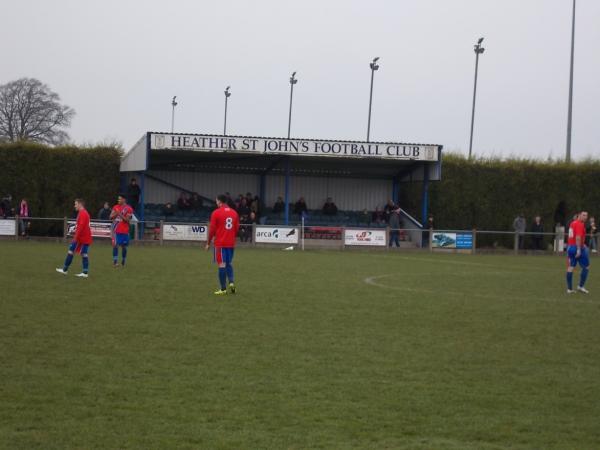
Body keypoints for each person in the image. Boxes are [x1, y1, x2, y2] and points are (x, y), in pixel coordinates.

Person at [206, 194, 240, 295]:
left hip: (220, 243)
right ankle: (232, 282)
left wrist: (208, 243)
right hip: (231, 243)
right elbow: (236, 228)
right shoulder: (234, 213)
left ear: (219, 201)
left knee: (222, 264)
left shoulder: (216, 213)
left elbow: (212, 230)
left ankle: (223, 289)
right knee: (228, 263)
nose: (216, 203)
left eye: (216, 201)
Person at [56, 199, 92, 277]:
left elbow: (81, 227)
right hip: (84, 238)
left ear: (80, 204)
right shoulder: (84, 213)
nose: (74, 206)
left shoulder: (82, 213)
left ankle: (65, 270)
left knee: (72, 252)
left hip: (81, 238)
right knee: (83, 254)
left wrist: (75, 238)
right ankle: (84, 272)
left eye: (75, 204)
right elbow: (80, 226)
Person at [566, 211, 590, 294]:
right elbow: (578, 238)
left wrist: (583, 244)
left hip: (570, 247)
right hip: (577, 248)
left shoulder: (573, 223)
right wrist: (579, 249)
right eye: (583, 215)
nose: (585, 217)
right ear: (579, 215)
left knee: (570, 267)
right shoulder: (580, 224)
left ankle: (569, 289)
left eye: (586, 215)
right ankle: (580, 286)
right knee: (586, 267)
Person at [110, 194, 134, 268]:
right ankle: (115, 262)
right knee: (115, 246)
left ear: (124, 200)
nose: (118, 200)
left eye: (120, 199)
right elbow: (110, 217)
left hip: (124, 231)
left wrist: (119, 214)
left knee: (124, 247)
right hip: (115, 230)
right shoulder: (115, 207)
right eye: (118, 199)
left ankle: (123, 260)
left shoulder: (129, 209)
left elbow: (127, 220)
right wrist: (115, 214)